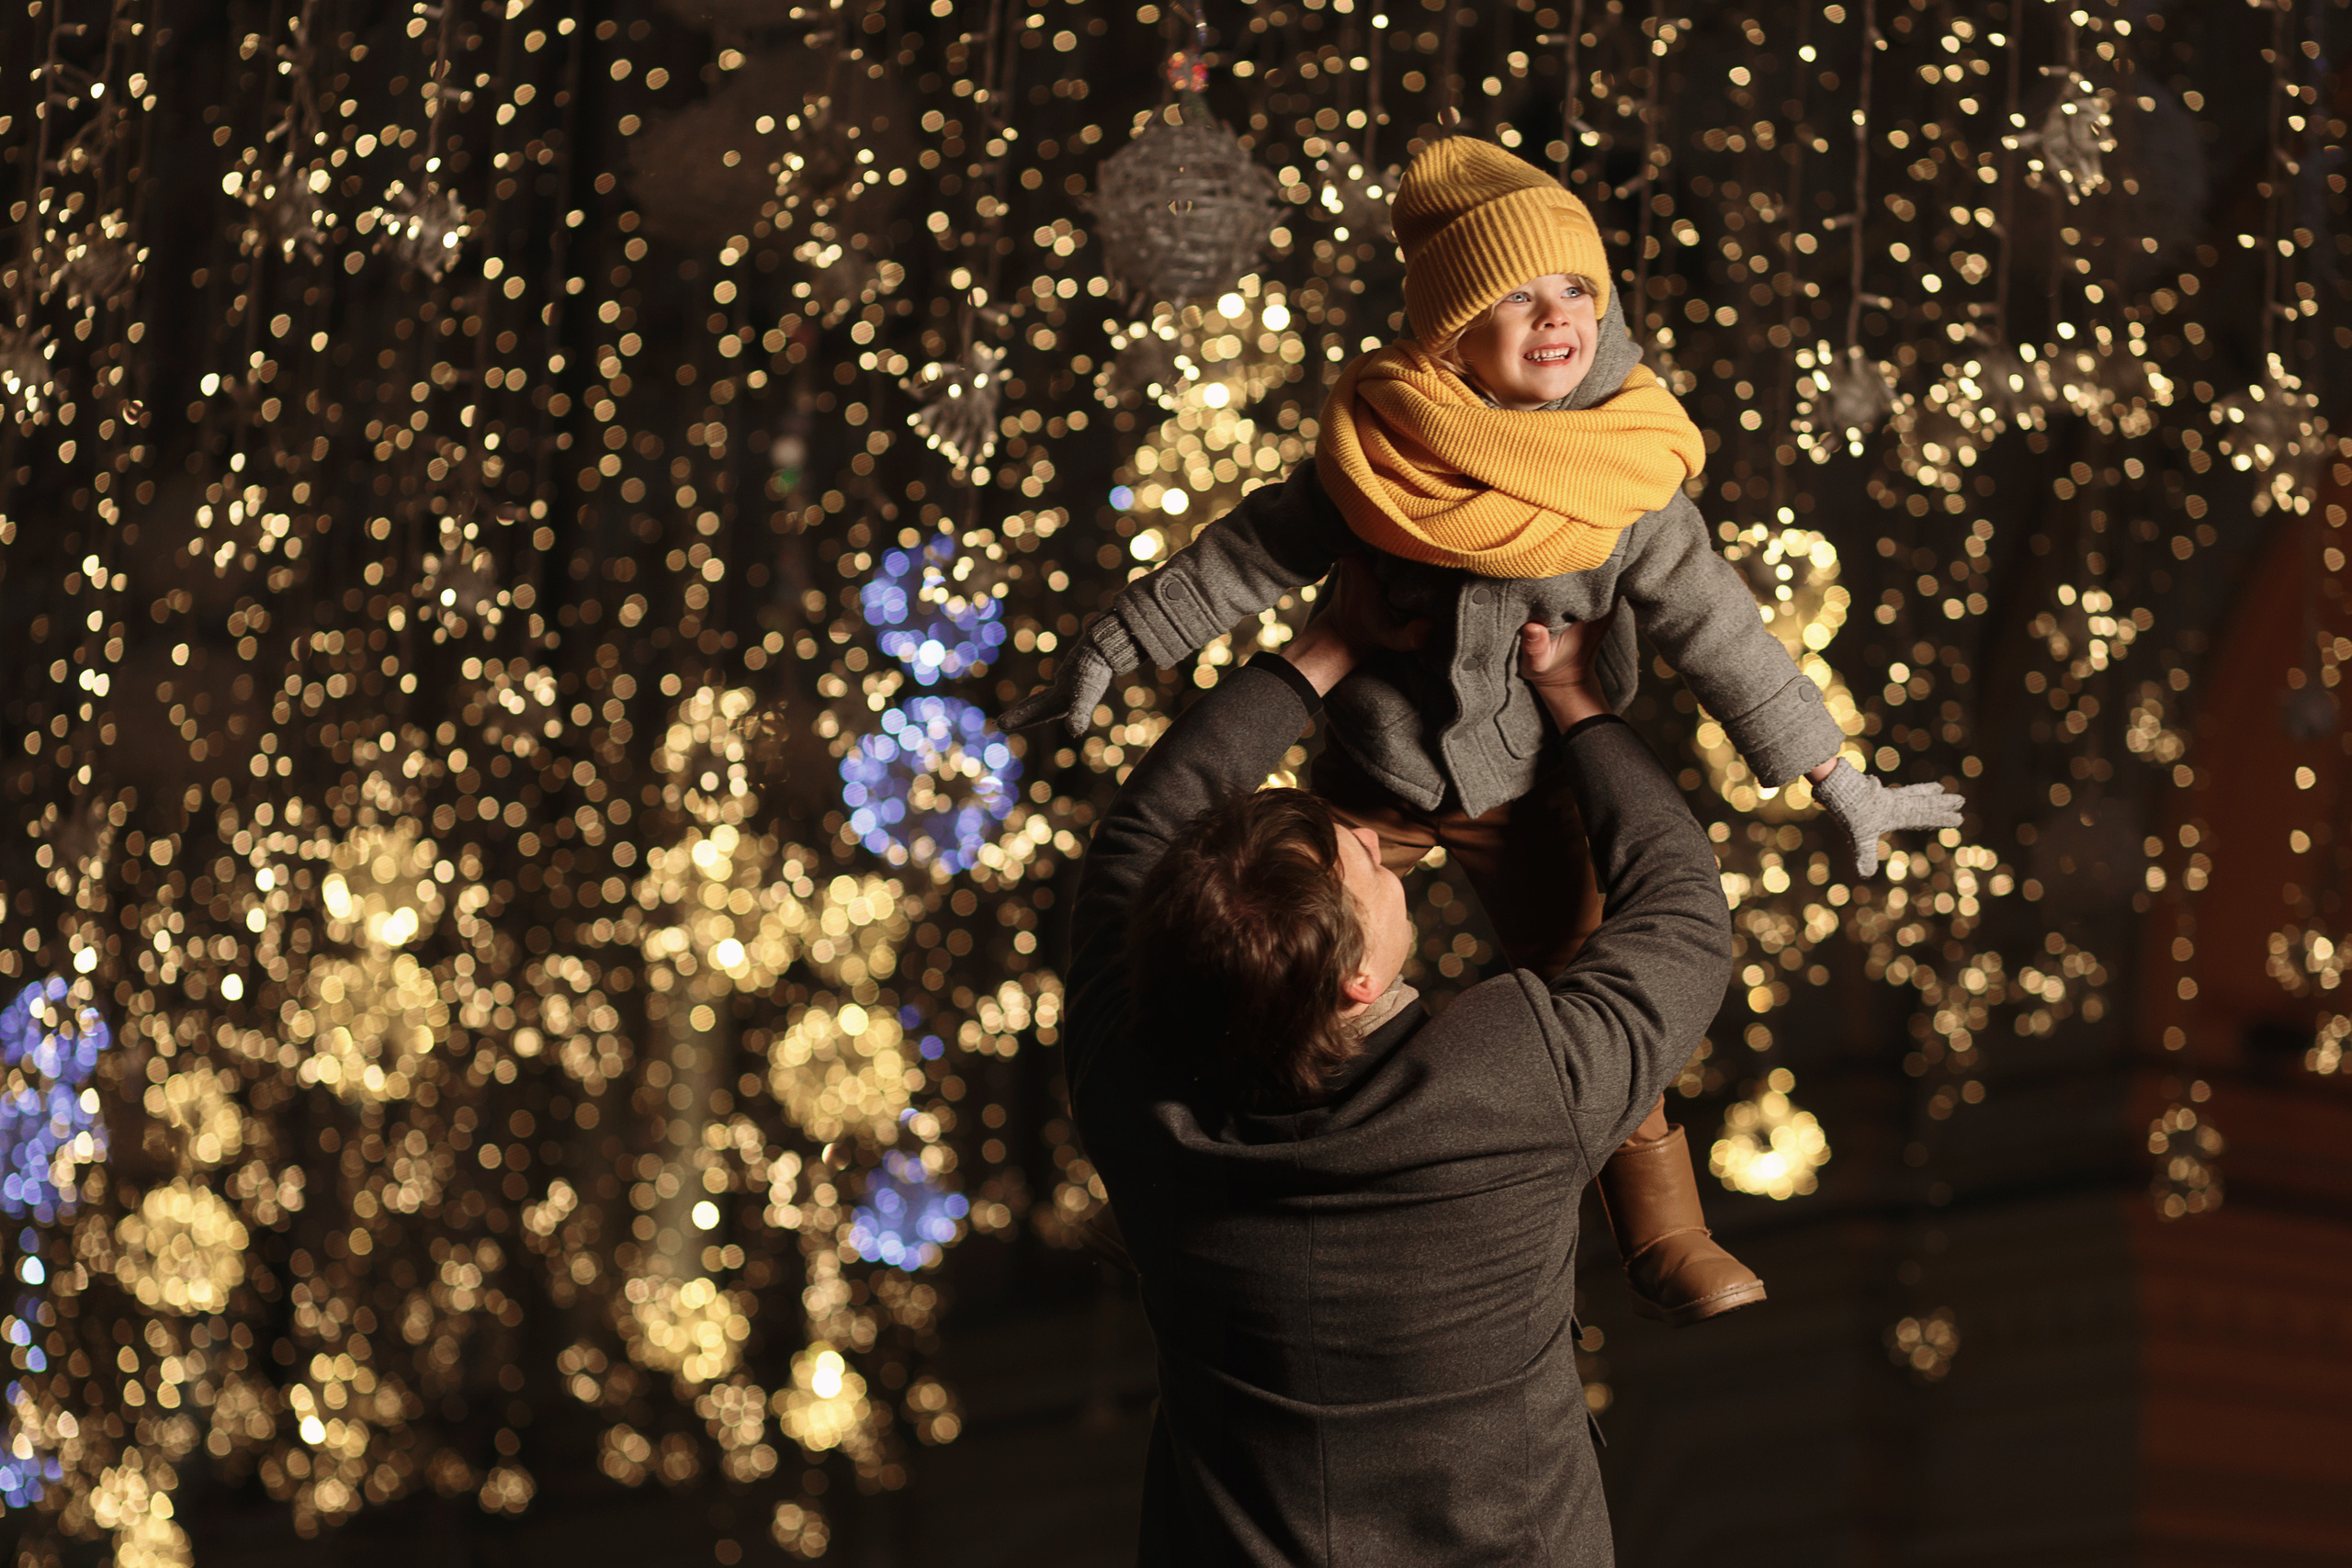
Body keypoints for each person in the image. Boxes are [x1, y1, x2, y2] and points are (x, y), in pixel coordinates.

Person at [1012, 135, 1962, 1321]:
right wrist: (1114, 643)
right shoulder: (1380, 452)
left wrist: (1834, 772)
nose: (1554, 317)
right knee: (1278, 959)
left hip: (1531, 785)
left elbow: (1725, 631)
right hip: (1376, 772)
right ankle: (1278, 1180)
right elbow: (1242, 555)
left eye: (1574, 290)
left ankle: (1663, 1230)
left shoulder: (1628, 480)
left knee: (1595, 996)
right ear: (1449, 337)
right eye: (1513, 299)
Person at [1060, 563, 1734, 1564]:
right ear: (1355, 986)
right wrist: (1580, 706)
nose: (1383, 852)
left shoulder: (1131, 1091)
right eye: (1372, 865)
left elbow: (1136, 839)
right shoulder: (1510, 1081)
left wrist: (1322, 649)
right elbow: (1683, 915)